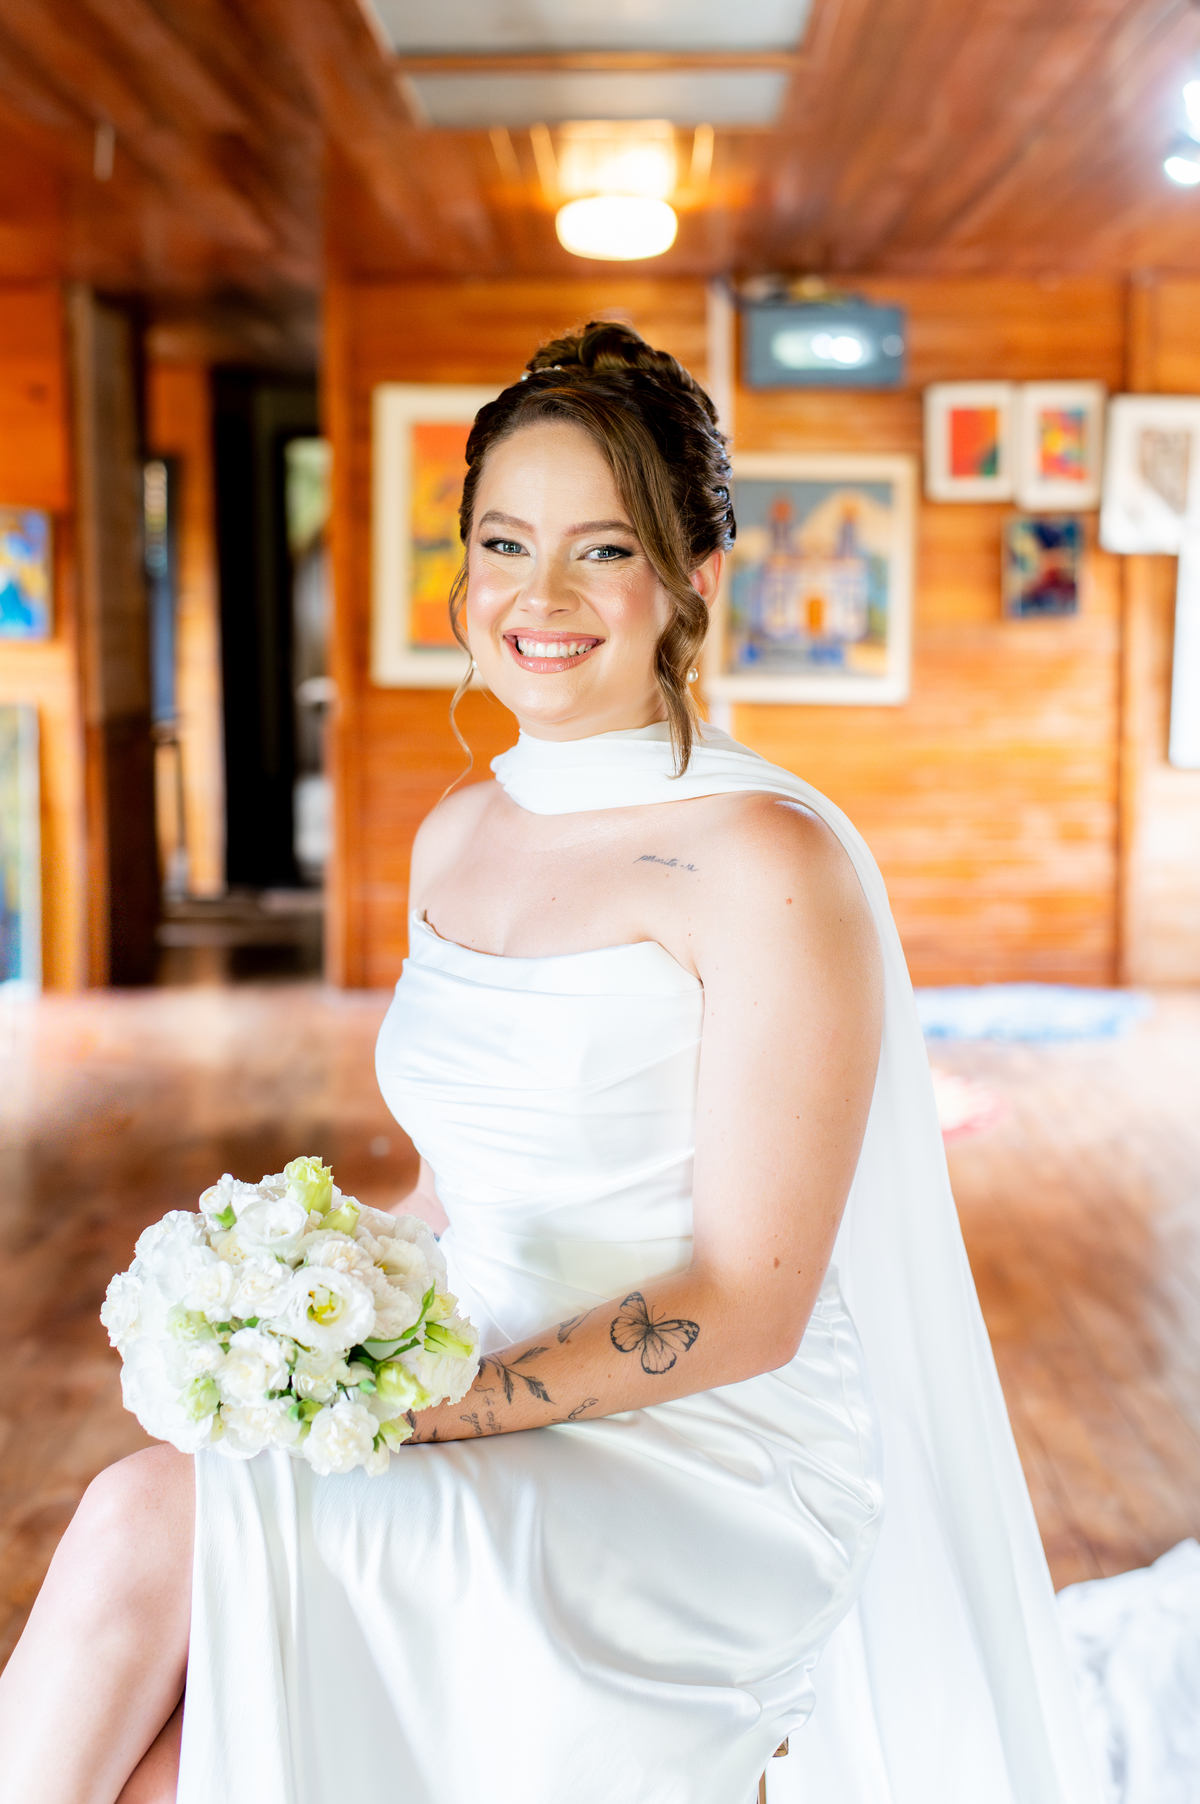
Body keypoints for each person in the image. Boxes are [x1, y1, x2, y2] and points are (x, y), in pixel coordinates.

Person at [0, 323, 1098, 1804]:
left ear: (696, 581)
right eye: (505, 544)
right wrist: (285, 1308)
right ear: (461, 574)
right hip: (474, 1385)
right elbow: (457, 1194)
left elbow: (752, 1307)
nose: (543, 597)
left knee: (147, 1522)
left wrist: (424, 1407)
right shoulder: (458, 834)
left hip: (701, 1460)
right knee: (174, 1767)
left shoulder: (765, 862)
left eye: (605, 550)